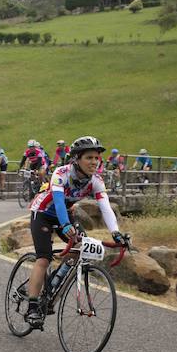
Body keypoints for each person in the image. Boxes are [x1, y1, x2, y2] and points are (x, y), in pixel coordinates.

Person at [25, 136, 126, 328]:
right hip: (44, 213)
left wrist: (116, 233)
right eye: (89, 157)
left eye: (97, 158)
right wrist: (64, 225)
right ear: (77, 159)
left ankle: (53, 282)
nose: (94, 162)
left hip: (66, 215)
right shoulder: (61, 173)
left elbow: (105, 207)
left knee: (81, 246)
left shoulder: (96, 180)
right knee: (44, 258)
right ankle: (32, 306)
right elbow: (59, 201)